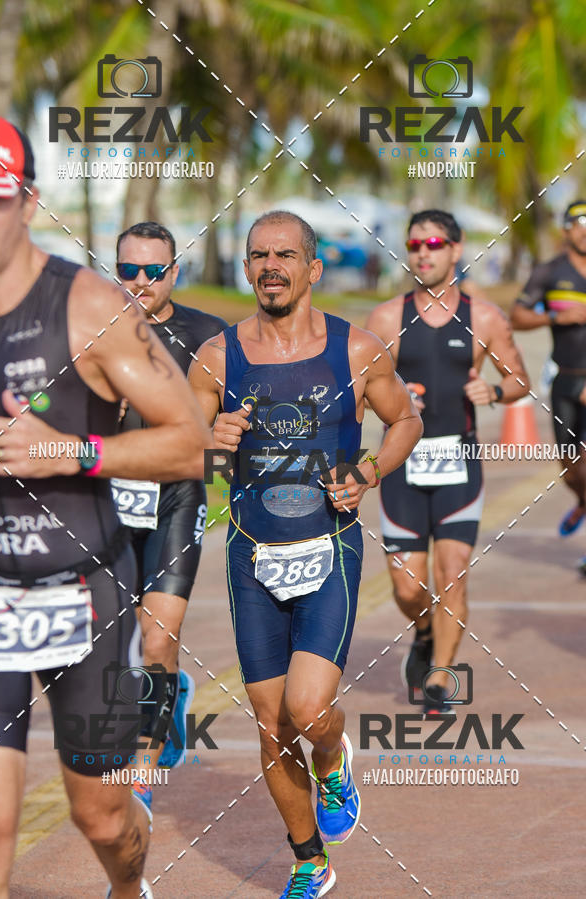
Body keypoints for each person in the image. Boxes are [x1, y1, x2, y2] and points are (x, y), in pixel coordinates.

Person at [0, 114, 211, 898]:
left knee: (105, 818)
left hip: (83, 591)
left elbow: (188, 444)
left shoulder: (89, 309)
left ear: (27, 202)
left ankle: (127, 886)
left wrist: (68, 450)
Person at [189, 210, 422, 898]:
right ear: (246, 267)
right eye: (259, 255)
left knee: (309, 710)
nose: (271, 266)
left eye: (285, 255)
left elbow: (405, 416)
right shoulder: (216, 356)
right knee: (269, 725)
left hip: (328, 547)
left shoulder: (357, 349)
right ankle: (309, 861)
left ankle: (332, 759)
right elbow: (182, 443)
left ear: (312, 267)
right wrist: (212, 438)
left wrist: (370, 471)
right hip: (251, 552)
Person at [366, 209, 530, 716]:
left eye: (434, 243)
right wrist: (392, 396)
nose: (423, 252)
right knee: (407, 585)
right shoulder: (387, 318)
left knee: (453, 571)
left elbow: (520, 379)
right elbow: (359, 390)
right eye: (414, 244)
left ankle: (438, 682)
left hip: (458, 464)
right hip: (403, 465)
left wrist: (495, 390)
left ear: (456, 250)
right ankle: (422, 629)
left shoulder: (483, 317)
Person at [114, 222, 227, 789]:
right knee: (117, 643)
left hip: (178, 497)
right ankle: (169, 693)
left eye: (152, 271)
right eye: (127, 270)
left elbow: (240, 421)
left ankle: (142, 773)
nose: (139, 281)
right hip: (108, 499)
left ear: (173, 272)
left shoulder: (207, 335)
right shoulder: (94, 329)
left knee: (158, 636)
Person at [511, 201, 586, 549]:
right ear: (566, 230)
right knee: (571, 470)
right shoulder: (550, 271)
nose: (585, 230)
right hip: (566, 382)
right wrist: (557, 318)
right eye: (578, 223)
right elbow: (517, 316)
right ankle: (582, 500)